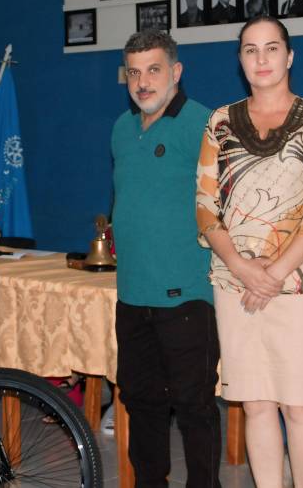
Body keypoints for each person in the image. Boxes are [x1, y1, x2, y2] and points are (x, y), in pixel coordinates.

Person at [197, 16, 303, 487]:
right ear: (240, 60)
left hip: (298, 284)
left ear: (289, 56)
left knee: (299, 407)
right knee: (255, 404)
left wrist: (274, 273)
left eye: (271, 48)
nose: (261, 59)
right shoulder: (219, 121)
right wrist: (242, 268)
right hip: (234, 284)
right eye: (250, 50)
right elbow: (205, 207)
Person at [112, 30, 221, 488]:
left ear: (176, 72)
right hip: (132, 296)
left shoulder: (204, 124)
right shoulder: (121, 128)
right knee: (141, 404)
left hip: (187, 297)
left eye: (153, 70)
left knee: (195, 408)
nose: (143, 82)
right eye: (134, 72)